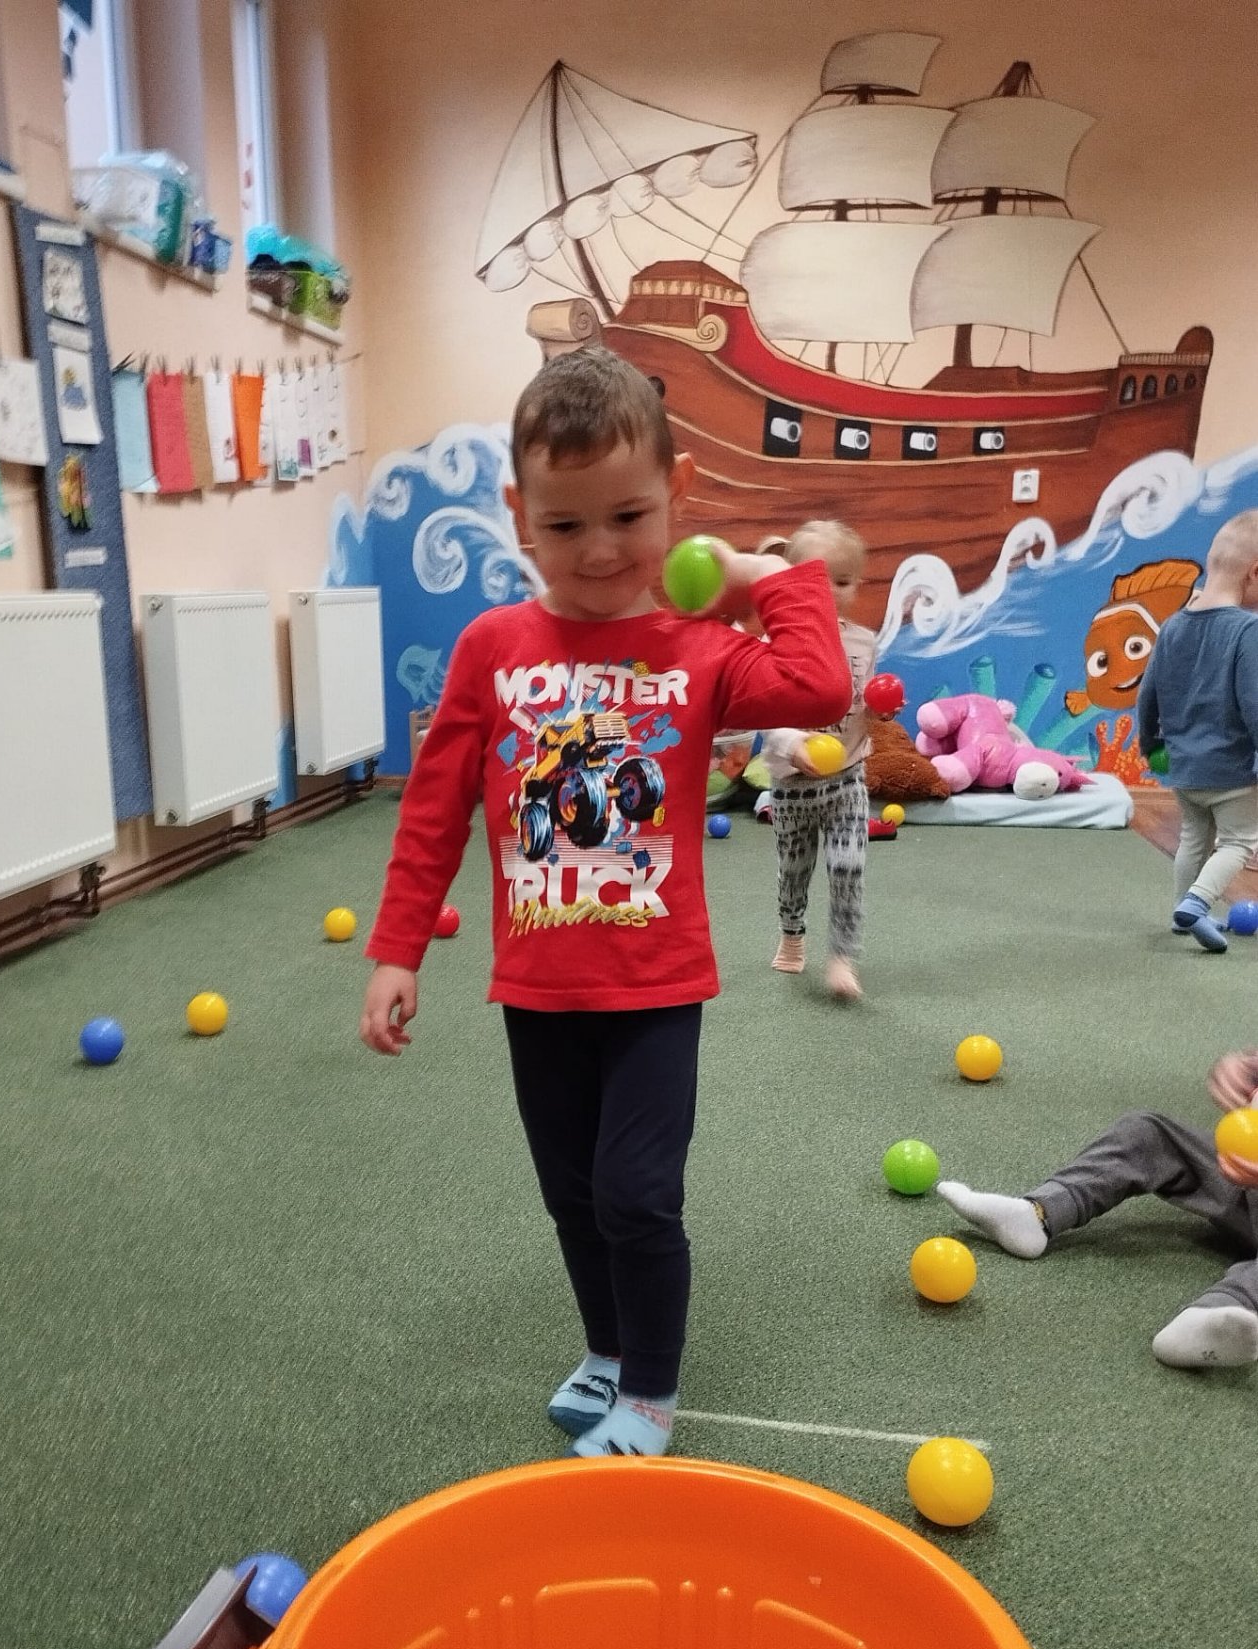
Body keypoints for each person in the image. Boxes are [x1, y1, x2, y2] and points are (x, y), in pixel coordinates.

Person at [358, 346, 850, 1457]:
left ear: (678, 495)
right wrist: (398, 950)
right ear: (518, 515)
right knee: (573, 1197)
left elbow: (819, 686)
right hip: (537, 990)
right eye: (563, 523)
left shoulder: (700, 648)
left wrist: (757, 575)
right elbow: (433, 811)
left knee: (636, 1195)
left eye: (629, 516)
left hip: (654, 989)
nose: (597, 550)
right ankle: (609, 1351)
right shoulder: (493, 650)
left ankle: (652, 1395)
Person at [936, 1046, 1258, 1369]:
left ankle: (1223, 1313)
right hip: (1245, 1183)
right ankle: (1039, 1215)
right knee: (1147, 1132)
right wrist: (1246, 1070)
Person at [759, 520, 877, 999]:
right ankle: (792, 934)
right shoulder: (776, 644)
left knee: (848, 866)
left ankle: (843, 957)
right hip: (792, 785)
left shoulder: (864, 642)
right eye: (818, 579)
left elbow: (864, 704)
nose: (830, 591)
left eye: (843, 582)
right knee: (794, 870)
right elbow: (764, 711)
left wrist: (880, 709)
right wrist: (793, 745)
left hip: (847, 778)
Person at [1137, 508, 1258, 952]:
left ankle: (1181, 912)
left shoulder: (1173, 625)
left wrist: (1150, 744)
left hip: (1185, 767)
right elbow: (1254, 703)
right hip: (1232, 770)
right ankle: (1196, 903)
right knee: (1239, 842)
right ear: (1255, 572)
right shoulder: (1247, 630)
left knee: (1194, 838)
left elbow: (1147, 695)